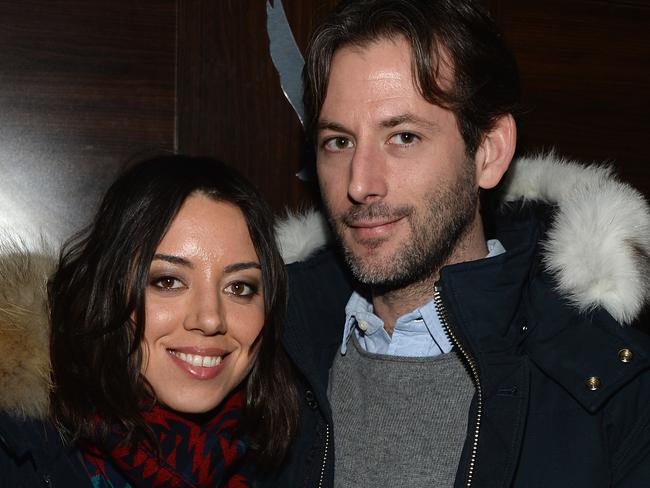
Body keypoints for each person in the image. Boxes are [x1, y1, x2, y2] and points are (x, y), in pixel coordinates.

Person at [268, 0, 650, 486]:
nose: (360, 183)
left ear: (488, 152)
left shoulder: (612, 394)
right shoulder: (266, 362)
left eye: (403, 137)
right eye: (338, 142)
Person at [0, 155, 298, 487]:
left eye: (239, 287)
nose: (211, 318)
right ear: (106, 290)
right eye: (168, 281)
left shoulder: (300, 455)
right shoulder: (18, 453)